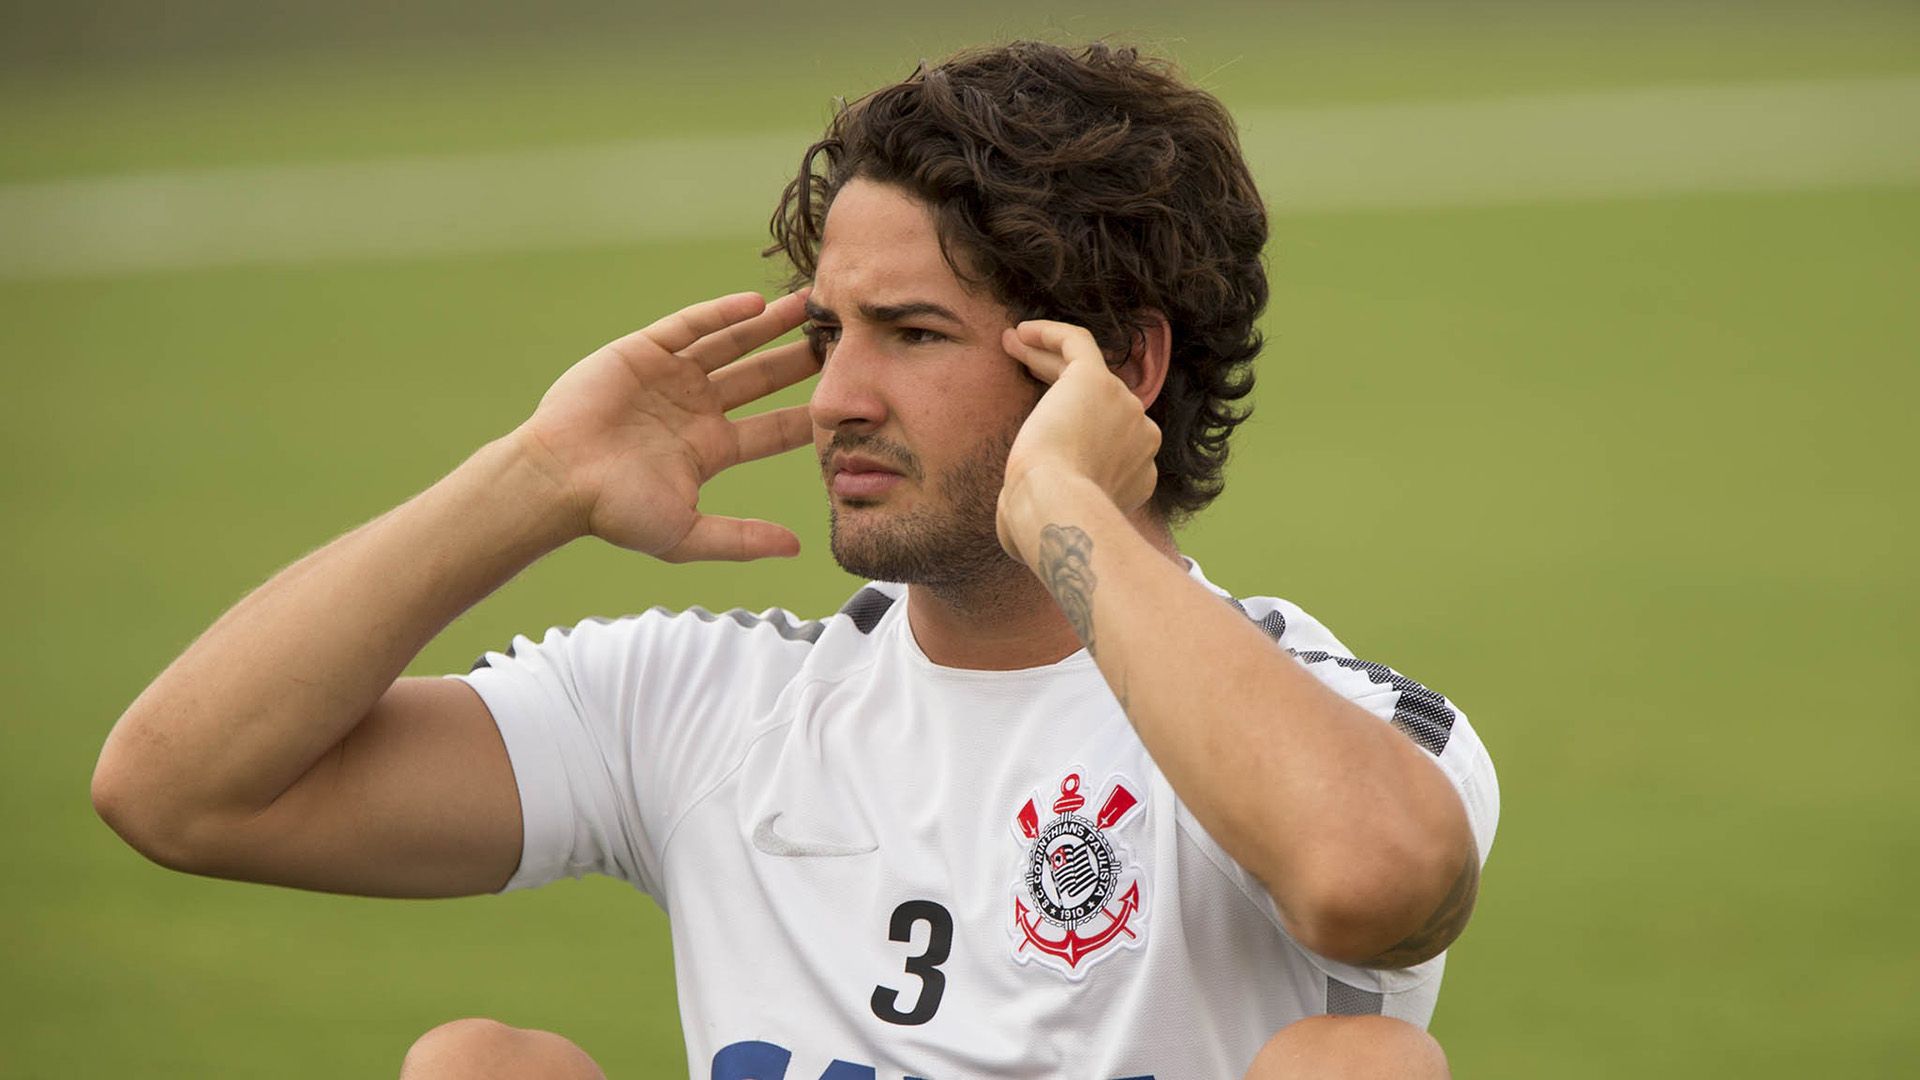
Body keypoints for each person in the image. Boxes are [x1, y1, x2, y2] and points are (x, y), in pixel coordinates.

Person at [92, 41, 1497, 1079]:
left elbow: (1371, 883)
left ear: (1118, 368)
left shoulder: (1331, 719)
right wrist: (532, 481)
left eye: (913, 333)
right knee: (477, 1067)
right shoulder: (707, 703)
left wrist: (1065, 514)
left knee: (1356, 1070)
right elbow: (180, 791)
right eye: (830, 334)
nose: (835, 397)